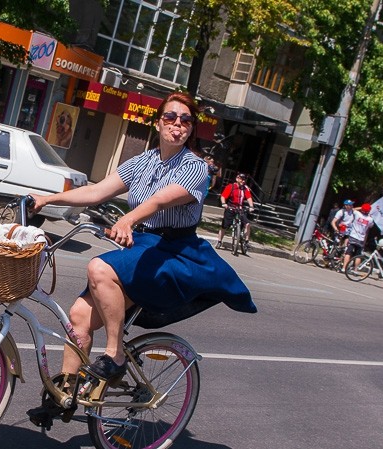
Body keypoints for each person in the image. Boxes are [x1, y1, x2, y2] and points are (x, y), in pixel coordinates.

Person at [26, 92, 256, 427]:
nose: (177, 124)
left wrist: (128, 219)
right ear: (158, 122)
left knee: (99, 267)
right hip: (144, 247)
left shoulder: (195, 167)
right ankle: (66, 394)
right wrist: (47, 199)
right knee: (79, 317)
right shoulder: (142, 162)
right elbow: (96, 191)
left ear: (191, 128)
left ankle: (115, 355)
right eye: (170, 117)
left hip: (174, 252)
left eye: (185, 120)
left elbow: (162, 200)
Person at [216, 173, 255, 249]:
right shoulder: (231, 187)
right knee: (224, 225)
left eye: (244, 180)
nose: (243, 181)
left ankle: (246, 242)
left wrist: (251, 206)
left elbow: (249, 198)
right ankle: (219, 241)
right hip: (230, 207)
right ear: (237, 179)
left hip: (240, 209)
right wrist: (224, 203)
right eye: (241, 179)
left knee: (247, 224)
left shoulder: (245, 188)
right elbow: (223, 196)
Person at [341, 203, 375, 273]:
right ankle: (355, 270)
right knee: (358, 255)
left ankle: (344, 268)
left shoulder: (357, 214)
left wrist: (361, 208)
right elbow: (370, 227)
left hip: (353, 236)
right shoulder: (370, 219)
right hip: (361, 239)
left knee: (348, 252)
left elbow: (352, 209)